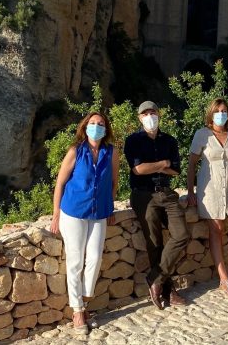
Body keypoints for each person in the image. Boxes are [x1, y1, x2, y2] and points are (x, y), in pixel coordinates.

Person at [50, 111, 119, 335]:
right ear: (85, 127)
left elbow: (114, 182)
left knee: (95, 258)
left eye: (100, 124)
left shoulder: (111, 152)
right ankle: (78, 311)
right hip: (73, 212)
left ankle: (85, 300)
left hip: (99, 213)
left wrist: (110, 206)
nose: (96, 127)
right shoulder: (75, 151)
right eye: (92, 123)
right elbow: (60, 184)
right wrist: (55, 216)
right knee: (76, 261)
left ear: (106, 129)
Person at [124, 101, 190, 309]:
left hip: (167, 194)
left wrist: (159, 167)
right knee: (155, 243)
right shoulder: (133, 140)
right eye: (145, 113)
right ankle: (168, 291)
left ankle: (155, 278)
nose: (149, 116)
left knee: (182, 235)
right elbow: (138, 170)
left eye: (152, 112)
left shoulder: (169, 140)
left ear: (158, 114)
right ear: (139, 118)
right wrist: (163, 164)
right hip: (144, 195)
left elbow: (177, 170)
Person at [186, 98, 228, 295]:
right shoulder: (201, 135)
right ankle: (223, 277)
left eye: (224, 110)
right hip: (210, 189)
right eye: (217, 110)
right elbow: (192, 164)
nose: (221, 114)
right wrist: (190, 191)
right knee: (217, 230)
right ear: (211, 114)